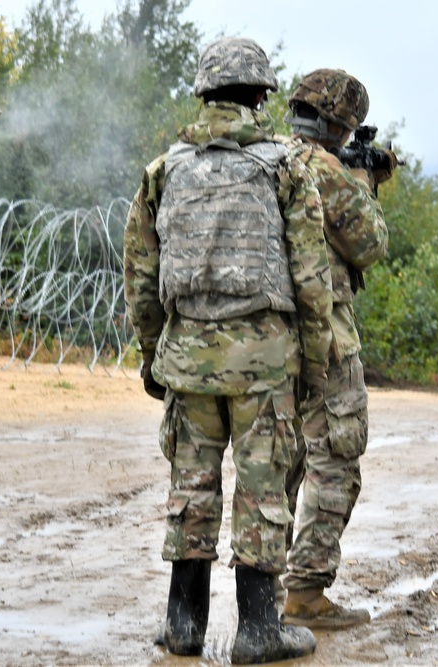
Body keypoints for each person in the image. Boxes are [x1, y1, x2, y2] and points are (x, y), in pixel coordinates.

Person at [123, 36, 331, 664]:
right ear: (262, 96)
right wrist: (315, 365)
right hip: (265, 361)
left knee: (191, 488)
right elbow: (312, 277)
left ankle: (182, 625)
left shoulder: (165, 170)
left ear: (205, 93)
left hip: (188, 358)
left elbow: (139, 274)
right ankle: (259, 631)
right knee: (263, 492)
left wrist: (156, 355)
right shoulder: (285, 167)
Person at [280, 68, 394, 629]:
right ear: (340, 126)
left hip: (269, 337)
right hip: (326, 338)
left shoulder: (265, 157)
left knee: (279, 461)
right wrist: (365, 185)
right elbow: (369, 244)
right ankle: (303, 593)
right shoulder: (323, 169)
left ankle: (261, 582)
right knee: (336, 458)